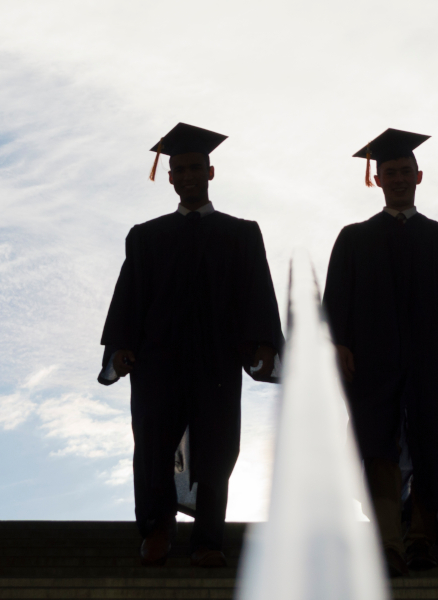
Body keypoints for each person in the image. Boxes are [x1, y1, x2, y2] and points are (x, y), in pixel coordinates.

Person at [323, 128, 438, 577]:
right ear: (377, 179)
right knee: (378, 447)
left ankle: (422, 538)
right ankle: (388, 543)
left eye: (406, 171)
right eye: (391, 172)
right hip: (373, 363)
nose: (399, 178)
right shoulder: (353, 239)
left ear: (419, 176)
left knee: (432, 445)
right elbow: (336, 303)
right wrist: (337, 344)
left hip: (429, 361)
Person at [98, 123, 283, 568]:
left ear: (211, 171)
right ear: (170, 177)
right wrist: (121, 344)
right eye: (179, 168)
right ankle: (157, 529)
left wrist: (263, 343)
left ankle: (207, 539)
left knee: (219, 447)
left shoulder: (242, 234)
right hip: (157, 358)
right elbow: (130, 294)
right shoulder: (146, 236)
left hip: (216, 357)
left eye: (195, 167)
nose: (187, 174)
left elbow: (257, 291)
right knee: (153, 445)